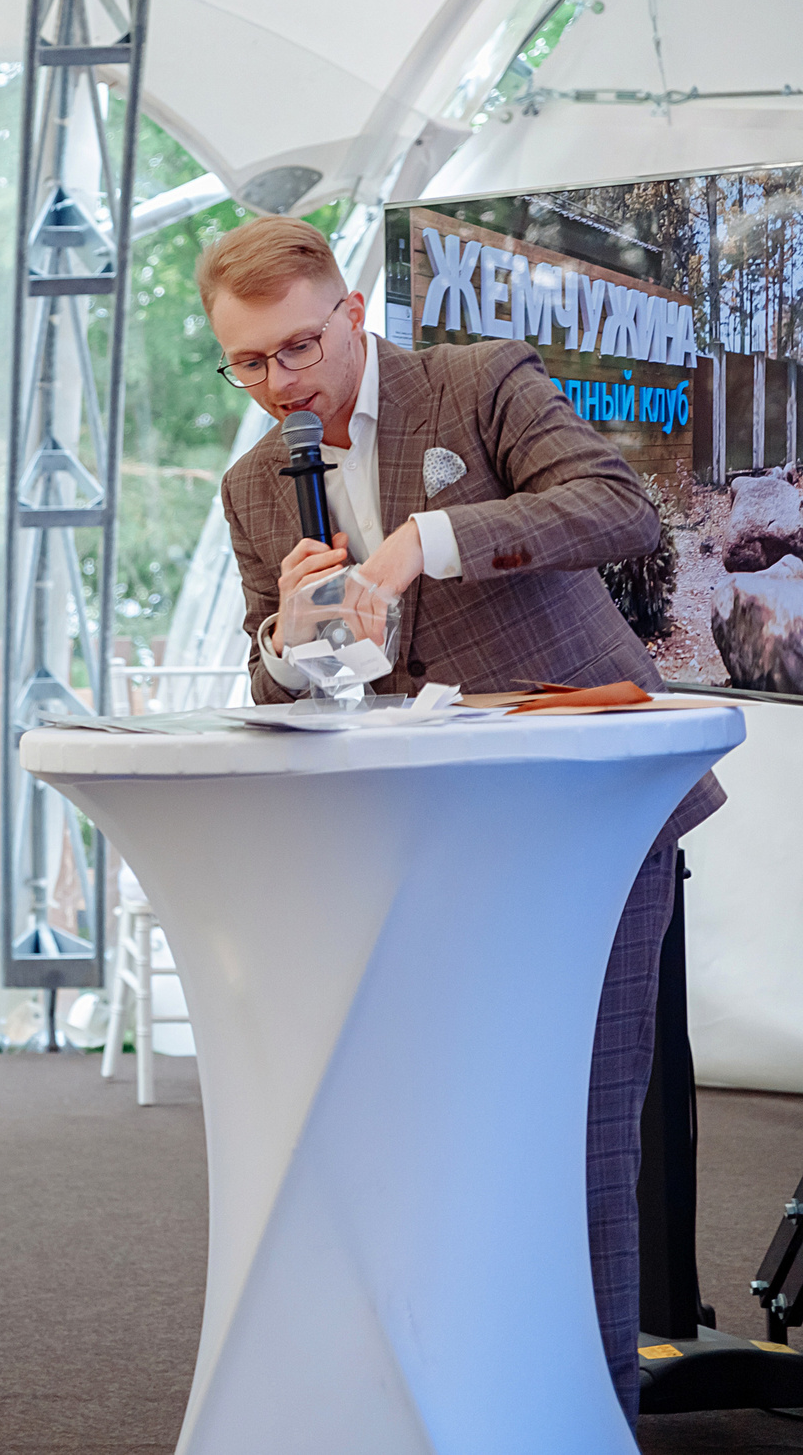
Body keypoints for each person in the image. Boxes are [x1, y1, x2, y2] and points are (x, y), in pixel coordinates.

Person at [204, 215, 721, 1421]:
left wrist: (417, 548)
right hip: (404, 837)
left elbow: (617, 509)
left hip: (577, 810)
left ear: (350, 313)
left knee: (577, 1127)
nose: (281, 385)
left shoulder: (475, 382)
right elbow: (266, 674)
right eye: (247, 364)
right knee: (429, 1126)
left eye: (296, 348)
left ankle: (588, 1417)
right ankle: (439, 1394)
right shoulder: (248, 487)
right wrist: (290, 639)